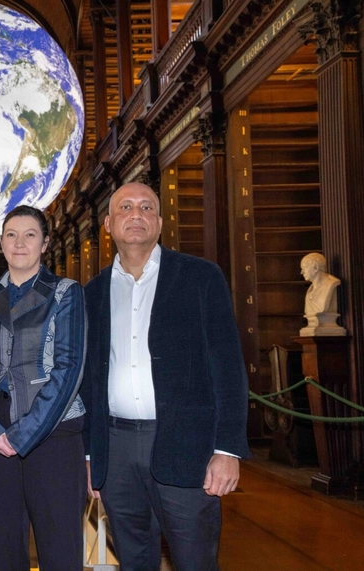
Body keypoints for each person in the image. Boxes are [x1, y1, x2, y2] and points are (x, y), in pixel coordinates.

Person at [81, 182, 251, 570]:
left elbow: (228, 367)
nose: (136, 214)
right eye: (125, 207)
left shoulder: (200, 277)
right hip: (117, 450)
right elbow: (90, 380)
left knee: (194, 560)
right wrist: (93, 455)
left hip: (187, 447)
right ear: (109, 224)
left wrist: (227, 450)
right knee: (133, 559)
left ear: (159, 222)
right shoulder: (93, 293)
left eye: (146, 207)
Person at [0, 205, 87, 571]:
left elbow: (69, 369)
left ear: (45, 243)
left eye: (30, 234)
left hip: (54, 430)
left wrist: (23, 435)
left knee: (59, 546)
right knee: (2, 547)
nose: (19, 243)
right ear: (1, 242)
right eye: (11, 235)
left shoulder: (66, 292)